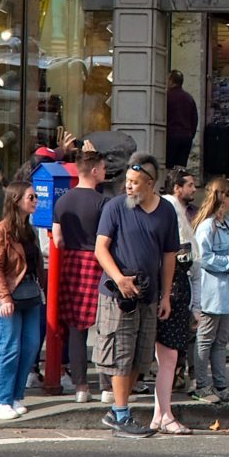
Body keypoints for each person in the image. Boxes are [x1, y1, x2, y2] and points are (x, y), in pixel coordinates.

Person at [93, 154, 181, 438]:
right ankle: (120, 413)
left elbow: (170, 256)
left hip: (149, 293)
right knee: (120, 353)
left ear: (150, 183)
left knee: (140, 358)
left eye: (134, 182)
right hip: (118, 293)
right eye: (127, 182)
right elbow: (100, 249)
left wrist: (166, 295)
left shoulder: (166, 211)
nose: (128, 187)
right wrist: (118, 279)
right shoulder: (115, 207)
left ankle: (118, 410)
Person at [0, 183, 46, 422]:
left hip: (28, 293)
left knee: (30, 345)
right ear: (16, 200)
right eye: (31, 197)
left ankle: (15, 395)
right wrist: (4, 297)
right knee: (9, 347)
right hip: (7, 295)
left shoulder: (29, 228)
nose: (35, 200)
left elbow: (35, 264)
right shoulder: (2, 230)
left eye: (36, 197)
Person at [53, 151, 109, 400]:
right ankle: (108, 386)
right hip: (99, 262)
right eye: (104, 168)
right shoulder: (104, 202)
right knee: (107, 327)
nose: (106, 172)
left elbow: (57, 239)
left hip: (72, 263)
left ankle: (81, 388)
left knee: (77, 329)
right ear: (94, 171)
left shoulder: (62, 202)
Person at [147, 171, 198, 436]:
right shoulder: (169, 214)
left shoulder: (167, 214)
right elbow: (184, 258)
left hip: (174, 295)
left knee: (169, 358)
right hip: (171, 295)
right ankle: (163, 414)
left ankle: (161, 413)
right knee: (167, 358)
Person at [191, 177, 229, 405]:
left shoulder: (228, 223)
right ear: (223, 196)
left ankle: (221, 384)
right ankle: (202, 385)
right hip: (212, 292)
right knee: (205, 339)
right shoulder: (207, 226)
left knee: (221, 341)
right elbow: (203, 258)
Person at [165, 70, 199, 170]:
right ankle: (179, 183)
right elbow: (194, 119)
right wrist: (190, 135)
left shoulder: (167, 97)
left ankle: (168, 184)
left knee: (168, 165)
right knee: (181, 166)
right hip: (186, 136)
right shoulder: (189, 98)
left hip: (171, 135)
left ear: (171, 81)